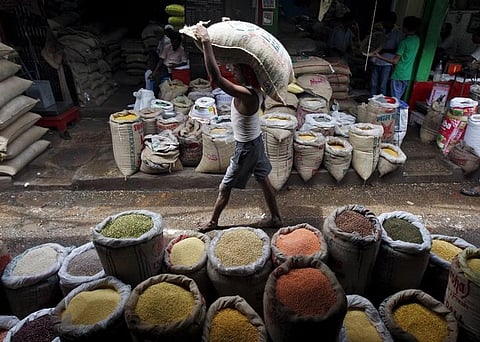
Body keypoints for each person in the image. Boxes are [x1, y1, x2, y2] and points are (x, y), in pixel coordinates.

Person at [192, 23, 283, 232]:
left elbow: (216, 78)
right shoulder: (255, 91)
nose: (231, 68)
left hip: (247, 148)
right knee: (264, 181)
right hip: (256, 143)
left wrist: (206, 43)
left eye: (236, 67)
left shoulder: (248, 95)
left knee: (225, 186)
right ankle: (276, 218)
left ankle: (213, 222)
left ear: (246, 71)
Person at [373, 16, 421, 101]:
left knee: (395, 100)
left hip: (399, 73)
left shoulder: (404, 42)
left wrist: (379, 56)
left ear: (406, 28)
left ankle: (395, 114)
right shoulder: (417, 40)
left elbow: (395, 61)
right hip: (407, 75)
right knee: (398, 98)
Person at [370, 11, 403, 96]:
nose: (385, 23)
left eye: (387, 22)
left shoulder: (397, 34)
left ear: (392, 22)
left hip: (387, 63)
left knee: (382, 85)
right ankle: (370, 102)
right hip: (376, 60)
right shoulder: (381, 31)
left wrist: (384, 50)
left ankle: (381, 105)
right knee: (373, 84)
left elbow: (398, 49)